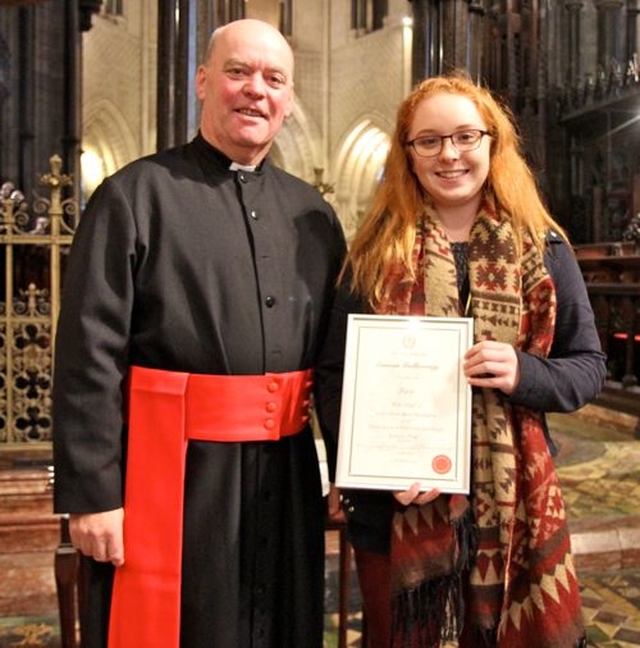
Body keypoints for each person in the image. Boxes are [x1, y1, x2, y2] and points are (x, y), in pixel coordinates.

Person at [52, 18, 346, 648]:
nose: (255, 91)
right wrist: (92, 495)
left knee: (282, 624)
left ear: (288, 100)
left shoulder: (314, 215)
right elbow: (88, 358)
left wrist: (353, 463)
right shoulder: (133, 196)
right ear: (203, 82)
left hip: (286, 472)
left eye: (273, 79)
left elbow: (335, 358)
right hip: (174, 476)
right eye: (238, 72)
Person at [314, 73, 606, 647]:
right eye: (429, 140)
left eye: (466, 136)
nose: (449, 154)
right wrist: (373, 463)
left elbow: (589, 365)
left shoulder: (542, 248)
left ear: (492, 143)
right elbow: (332, 375)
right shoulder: (375, 253)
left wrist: (526, 373)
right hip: (394, 507)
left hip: (511, 504)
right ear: (409, 154)